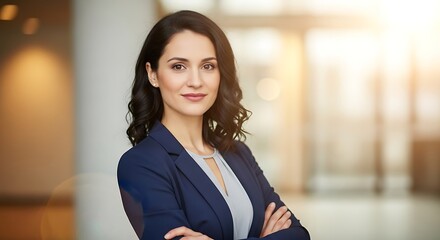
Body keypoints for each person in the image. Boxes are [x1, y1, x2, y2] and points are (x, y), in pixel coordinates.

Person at [117, 10, 310, 240]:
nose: (196, 81)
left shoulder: (238, 153)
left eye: (208, 66)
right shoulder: (141, 164)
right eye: (179, 66)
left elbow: (298, 235)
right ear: (153, 74)